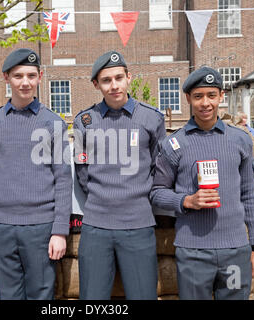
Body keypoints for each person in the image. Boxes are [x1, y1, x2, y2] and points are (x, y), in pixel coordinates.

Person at [150, 66, 254, 300]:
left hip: (234, 250)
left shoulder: (240, 140)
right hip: (193, 252)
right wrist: (186, 200)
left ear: (221, 96)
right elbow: (156, 193)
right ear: (188, 99)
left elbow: (250, 195)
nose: (205, 103)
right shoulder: (174, 144)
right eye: (198, 96)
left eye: (211, 95)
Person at [0, 48, 72, 300]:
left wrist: (59, 231)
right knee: (8, 295)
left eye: (31, 75)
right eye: (18, 76)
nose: (25, 82)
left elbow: (63, 177)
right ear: (6, 77)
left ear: (40, 76)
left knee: (42, 294)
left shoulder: (54, 123)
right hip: (1, 226)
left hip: (40, 226)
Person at [73, 51, 166, 300]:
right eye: (106, 80)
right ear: (96, 84)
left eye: (118, 78)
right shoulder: (85, 121)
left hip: (138, 224)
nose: (114, 85)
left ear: (129, 78)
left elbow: (160, 168)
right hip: (96, 224)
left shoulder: (152, 117)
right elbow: (82, 171)